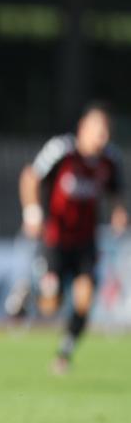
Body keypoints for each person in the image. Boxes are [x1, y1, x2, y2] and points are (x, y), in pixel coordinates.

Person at [18, 103, 126, 374]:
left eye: (106, 133)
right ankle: (31, 293)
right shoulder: (62, 150)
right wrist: (32, 213)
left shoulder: (110, 160)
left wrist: (119, 213)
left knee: (85, 298)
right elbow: (30, 176)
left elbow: (116, 193)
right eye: (97, 132)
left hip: (85, 241)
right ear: (83, 129)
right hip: (55, 238)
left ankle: (65, 351)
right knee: (51, 304)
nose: (102, 138)